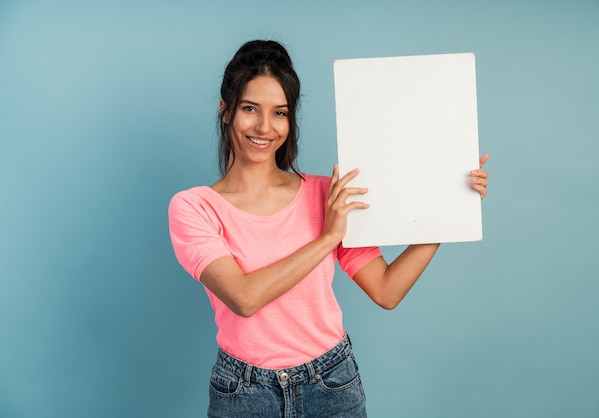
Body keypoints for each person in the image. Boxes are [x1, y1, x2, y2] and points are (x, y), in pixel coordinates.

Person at [168, 40, 489, 418]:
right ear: (226, 111)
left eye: (280, 113)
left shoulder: (325, 196)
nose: (264, 127)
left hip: (331, 384)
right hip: (244, 393)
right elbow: (244, 299)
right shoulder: (194, 207)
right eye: (250, 109)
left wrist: (448, 211)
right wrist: (327, 239)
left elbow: (387, 290)